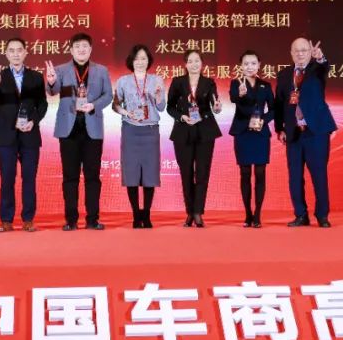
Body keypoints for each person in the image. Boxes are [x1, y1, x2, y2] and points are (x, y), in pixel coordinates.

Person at [45, 32, 112, 230]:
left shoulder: (101, 70)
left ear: (90, 49)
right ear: (71, 50)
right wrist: (51, 81)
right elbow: (53, 91)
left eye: (85, 46)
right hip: (69, 131)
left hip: (92, 130)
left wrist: (94, 105)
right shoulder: (60, 70)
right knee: (70, 177)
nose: (81, 50)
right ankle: (71, 220)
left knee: (92, 177)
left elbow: (108, 95)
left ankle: (92, 219)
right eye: (77, 47)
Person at [0, 38, 48, 232]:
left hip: (29, 133)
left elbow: (42, 104)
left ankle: (28, 219)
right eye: (11, 50)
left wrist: (33, 121)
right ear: (6, 54)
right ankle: (6, 219)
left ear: (25, 52)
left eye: (19, 50)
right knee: (7, 178)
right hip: (6, 134)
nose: (15, 54)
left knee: (29, 178)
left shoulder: (36, 77)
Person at [273, 37, 337, 227]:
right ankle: (301, 215)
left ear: (310, 52)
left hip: (316, 131)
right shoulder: (284, 74)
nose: (300, 54)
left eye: (304, 50)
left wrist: (321, 57)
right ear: (291, 53)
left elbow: (325, 67)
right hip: (293, 133)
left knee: (319, 174)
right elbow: (279, 104)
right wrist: (279, 128)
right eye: (297, 51)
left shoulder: (317, 69)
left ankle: (322, 215)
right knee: (294, 177)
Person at [112, 44, 166, 228]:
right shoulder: (123, 81)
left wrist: (158, 97)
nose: (140, 62)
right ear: (131, 61)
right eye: (137, 59)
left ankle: (147, 214)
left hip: (150, 131)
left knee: (150, 173)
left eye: (144, 58)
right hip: (130, 130)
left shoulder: (157, 80)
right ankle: (136, 214)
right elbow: (115, 105)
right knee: (131, 173)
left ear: (148, 60)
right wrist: (127, 113)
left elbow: (161, 108)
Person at [167, 49, 222, 228]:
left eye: (197, 60)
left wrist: (218, 107)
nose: (194, 64)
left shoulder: (209, 82)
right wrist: (182, 117)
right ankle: (189, 212)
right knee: (186, 173)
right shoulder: (178, 82)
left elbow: (215, 105)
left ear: (202, 63)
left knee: (202, 173)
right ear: (185, 64)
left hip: (205, 131)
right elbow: (170, 107)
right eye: (190, 61)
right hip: (183, 131)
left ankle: (198, 212)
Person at [228, 50, 275, 228]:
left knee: (260, 173)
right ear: (241, 66)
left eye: (253, 63)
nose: (250, 67)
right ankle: (248, 213)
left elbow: (273, 109)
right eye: (246, 64)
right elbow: (233, 98)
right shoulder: (236, 83)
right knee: (245, 173)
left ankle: (257, 214)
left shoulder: (266, 85)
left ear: (259, 65)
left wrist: (264, 120)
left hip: (260, 133)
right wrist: (240, 94)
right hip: (243, 133)